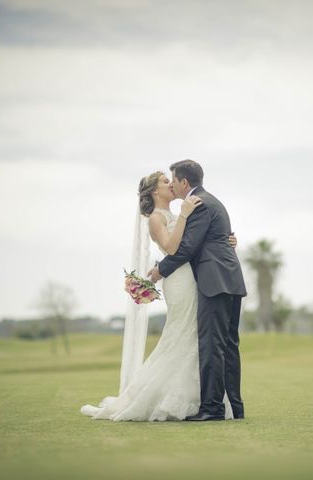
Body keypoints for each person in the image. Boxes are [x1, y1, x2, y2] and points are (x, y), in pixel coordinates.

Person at [80, 168, 239, 421]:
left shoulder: (176, 213)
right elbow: (173, 247)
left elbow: (196, 242)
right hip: (180, 280)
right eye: (166, 181)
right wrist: (185, 216)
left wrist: (225, 240)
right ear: (156, 190)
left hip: (194, 277)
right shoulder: (156, 217)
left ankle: (201, 400)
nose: (171, 184)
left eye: (171, 179)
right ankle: (167, 399)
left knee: (193, 336)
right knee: (181, 332)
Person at [148, 159, 247, 421]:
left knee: (212, 345)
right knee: (228, 345)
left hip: (214, 282)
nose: (172, 185)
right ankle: (235, 407)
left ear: (184, 183)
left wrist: (160, 270)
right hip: (230, 279)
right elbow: (213, 239)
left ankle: (213, 408)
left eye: (173, 180)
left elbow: (186, 248)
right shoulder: (211, 200)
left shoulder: (199, 204)